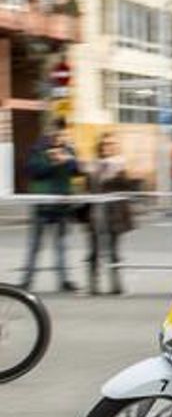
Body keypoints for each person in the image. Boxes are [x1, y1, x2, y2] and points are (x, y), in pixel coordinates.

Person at [21, 120, 79, 293]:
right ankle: (26, 281)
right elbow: (32, 170)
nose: (58, 136)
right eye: (55, 132)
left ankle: (63, 281)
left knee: (62, 245)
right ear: (49, 133)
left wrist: (68, 160)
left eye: (61, 133)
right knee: (35, 246)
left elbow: (77, 170)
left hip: (61, 206)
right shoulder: (38, 149)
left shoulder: (68, 150)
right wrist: (52, 163)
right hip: (42, 205)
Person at [85, 133, 136, 296]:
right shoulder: (94, 166)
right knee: (94, 251)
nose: (107, 147)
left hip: (114, 215)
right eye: (104, 144)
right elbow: (88, 188)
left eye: (111, 144)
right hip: (95, 213)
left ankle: (116, 285)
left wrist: (116, 174)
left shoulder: (121, 166)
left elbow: (128, 188)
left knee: (114, 251)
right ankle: (93, 285)